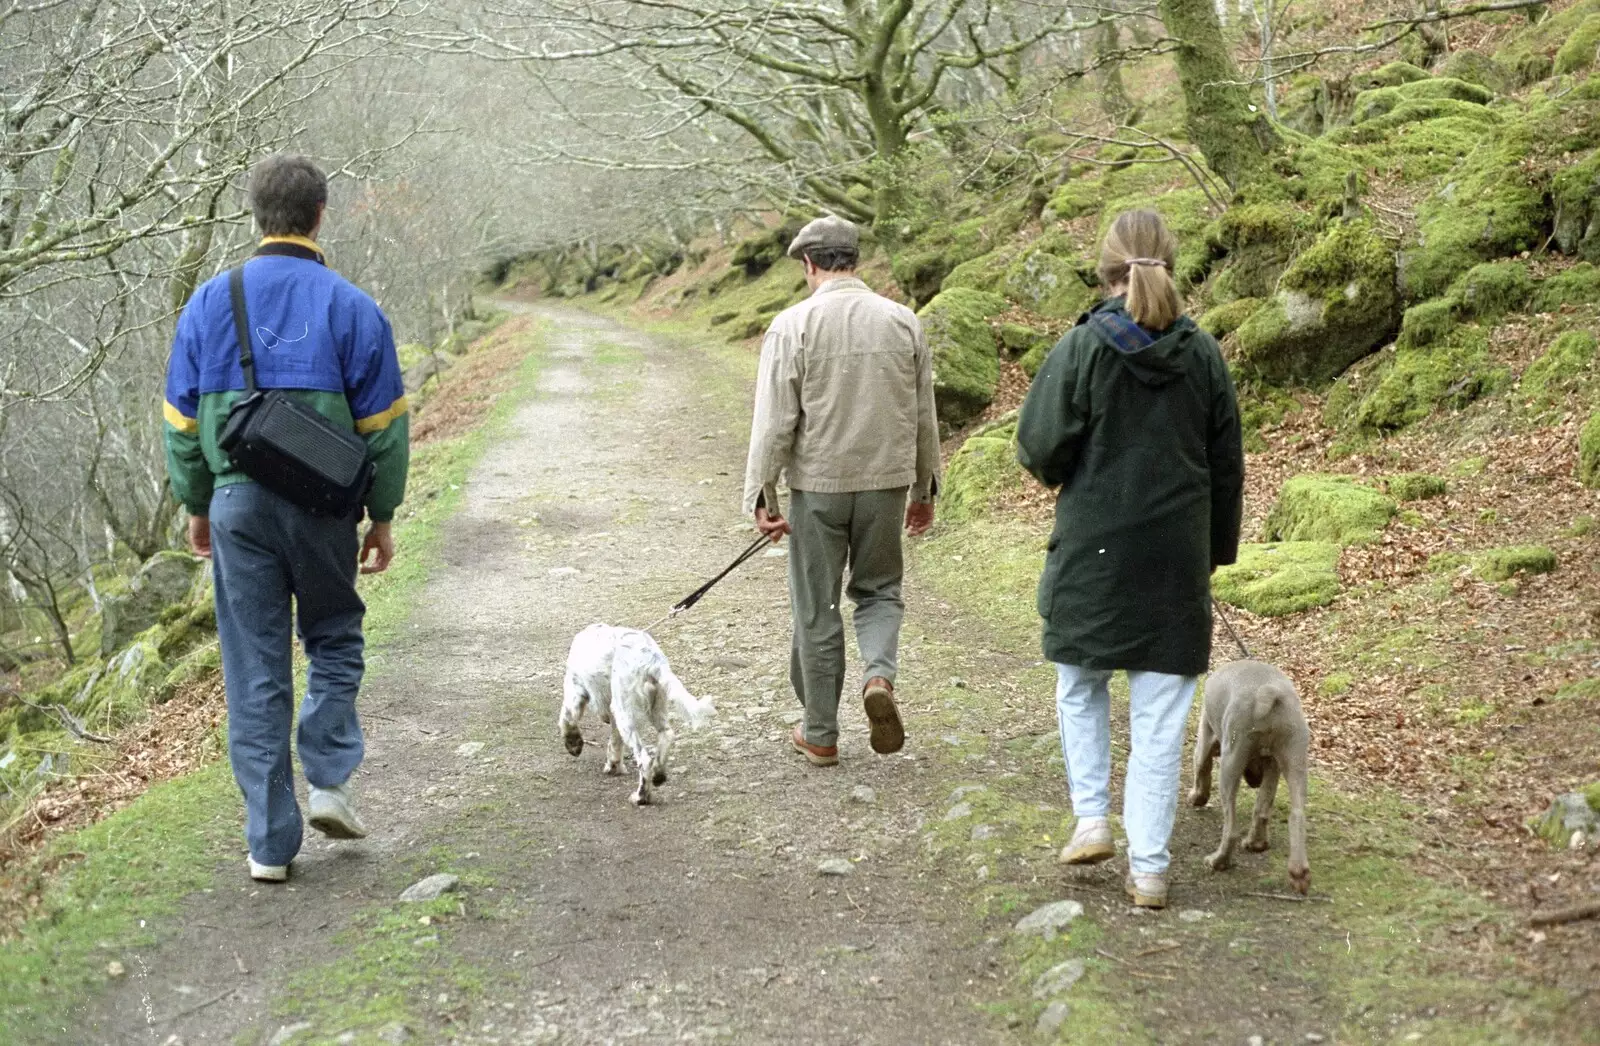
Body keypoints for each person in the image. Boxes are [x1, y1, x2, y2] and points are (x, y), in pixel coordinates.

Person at [163, 154, 410, 882]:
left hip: (236, 503)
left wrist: (198, 504)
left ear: (255, 215)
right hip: (324, 507)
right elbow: (386, 429)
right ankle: (329, 777)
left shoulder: (209, 303)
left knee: (255, 668)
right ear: (320, 215)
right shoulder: (352, 307)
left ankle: (270, 845)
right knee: (335, 635)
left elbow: (181, 424)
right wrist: (382, 517)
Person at [1016, 209, 1244, 909]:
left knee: (1079, 685)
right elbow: (1227, 465)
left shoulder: (1082, 347)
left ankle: (1091, 819)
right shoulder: (1202, 354)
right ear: (1171, 263)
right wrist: (1211, 556)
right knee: (1159, 721)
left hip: (1095, 550)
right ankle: (1148, 869)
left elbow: (1038, 445)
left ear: (1105, 268)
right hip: (1175, 560)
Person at [743, 215, 941, 767]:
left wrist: (764, 497)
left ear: (809, 265)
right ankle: (879, 677)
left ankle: (821, 733)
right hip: (886, 486)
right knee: (879, 591)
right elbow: (924, 416)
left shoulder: (792, 325)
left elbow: (774, 423)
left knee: (818, 606)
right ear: (855, 260)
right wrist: (924, 489)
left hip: (817, 490)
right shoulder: (903, 322)